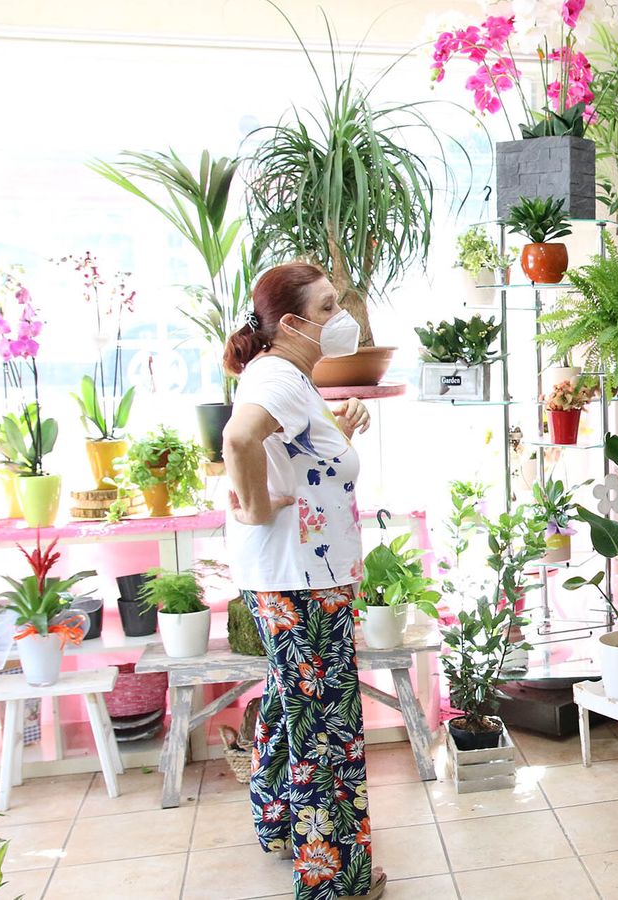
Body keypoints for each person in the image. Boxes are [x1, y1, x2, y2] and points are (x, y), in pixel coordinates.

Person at [221, 262, 382, 900]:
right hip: (303, 581)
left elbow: (284, 457)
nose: (340, 319)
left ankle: (279, 823)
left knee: (295, 709)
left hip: (297, 576)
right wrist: (257, 507)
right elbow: (239, 438)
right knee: (325, 727)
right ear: (290, 324)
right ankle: (333, 881)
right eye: (326, 308)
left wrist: (332, 434)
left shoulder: (284, 376)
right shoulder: (281, 376)